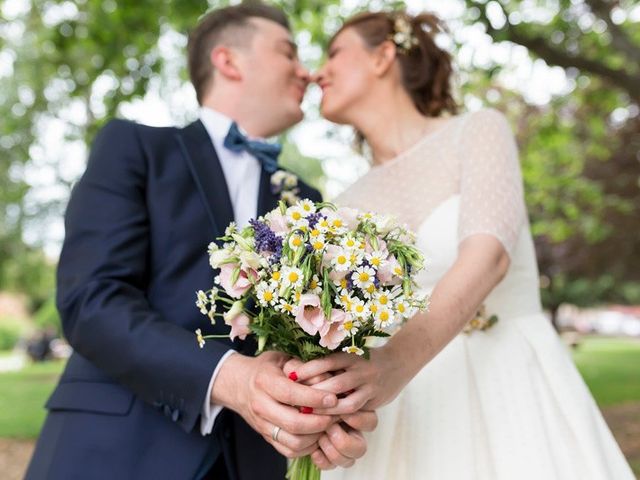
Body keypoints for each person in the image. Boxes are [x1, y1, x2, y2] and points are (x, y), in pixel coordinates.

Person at [25, 3, 375, 479]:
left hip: (252, 463)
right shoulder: (135, 148)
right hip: (116, 452)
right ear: (229, 61)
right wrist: (230, 378)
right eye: (288, 52)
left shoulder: (307, 200)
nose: (306, 71)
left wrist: (326, 409)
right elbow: (91, 300)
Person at [285, 10, 635, 479]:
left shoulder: (476, 132)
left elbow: (489, 256)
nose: (317, 72)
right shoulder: (343, 204)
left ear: (383, 56)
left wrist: (394, 365)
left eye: (334, 53)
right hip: (402, 421)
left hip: (511, 389)